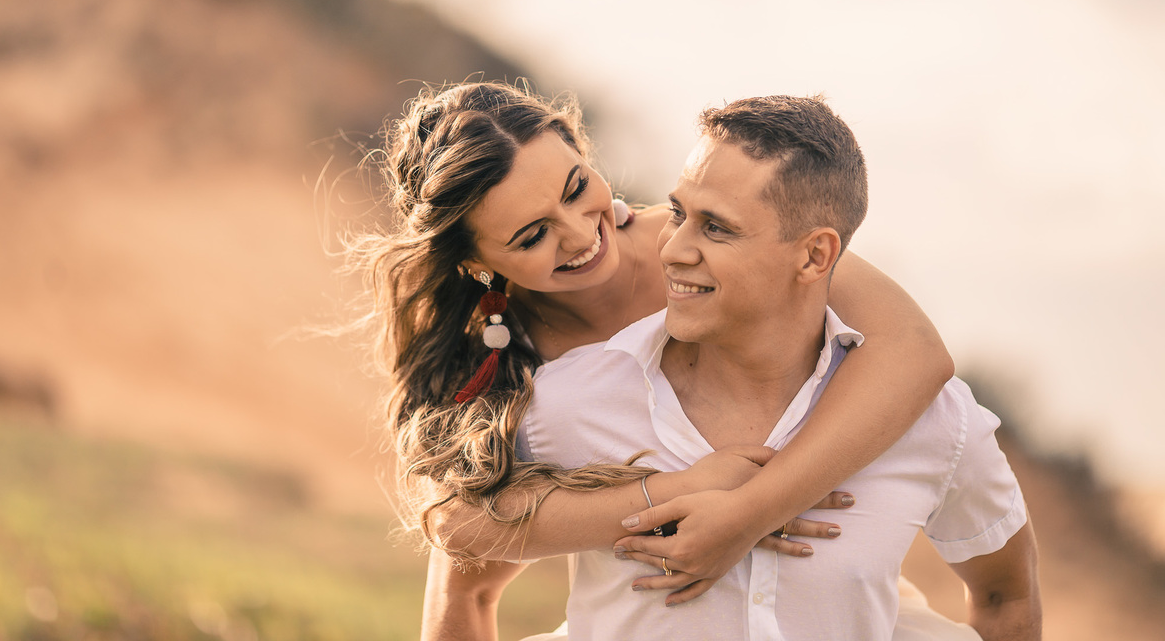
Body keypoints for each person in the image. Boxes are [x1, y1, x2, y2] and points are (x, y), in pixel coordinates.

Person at [347, 81, 958, 640]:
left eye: (576, 187)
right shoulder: (499, 354)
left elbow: (915, 351)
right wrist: (678, 492)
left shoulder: (717, 243)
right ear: (477, 264)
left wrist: (750, 511)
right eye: (531, 236)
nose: (580, 235)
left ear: (581, 150)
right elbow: (459, 530)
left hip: (832, 603)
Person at [483, 95, 1042, 639]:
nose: (671, 247)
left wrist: (748, 512)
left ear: (815, 256)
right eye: (677, 213)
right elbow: (463, 539)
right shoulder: (561, 405)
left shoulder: (935, 422)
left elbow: (1006, 595)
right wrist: (662, 494)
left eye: (716, 227)